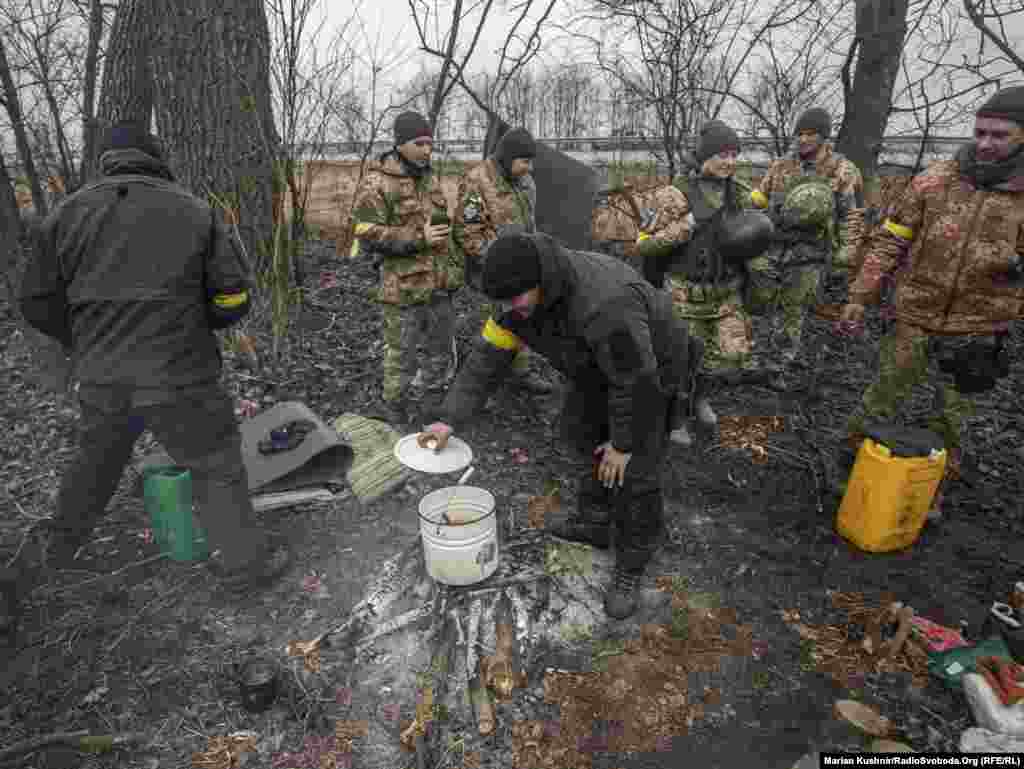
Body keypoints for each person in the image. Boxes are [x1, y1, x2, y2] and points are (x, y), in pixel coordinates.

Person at [4, 122, 291, 637]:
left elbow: (35, 303)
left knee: (91, 473)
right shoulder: (194, 211)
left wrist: (86, 338)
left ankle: (36, 569)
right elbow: (233, 296)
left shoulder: (66, 214)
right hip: (182, 374)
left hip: (103, 378)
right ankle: (245, 565)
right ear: (156, 159)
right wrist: (206, 322)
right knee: (214, 466)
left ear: (107, 161)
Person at [417, 232, 701, 620]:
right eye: (500, 302)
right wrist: (447, 419)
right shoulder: (515, 300)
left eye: (514, 300)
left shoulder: (605, 304)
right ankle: (595, 522)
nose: (507, 310)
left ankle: (632, 563)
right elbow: (487, 359)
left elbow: (636, 379)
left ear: (541, 284)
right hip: (594, 369)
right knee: (583, 435)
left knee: (635, 471)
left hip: (651, 373)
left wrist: (622, 443)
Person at [839, 86, 1024, 517]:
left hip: (978, 329)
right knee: (882, 396)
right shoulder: (936, 180)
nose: (985, 143)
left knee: (951, 418)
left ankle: (925, 492)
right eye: (980, 132)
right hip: (914, 315)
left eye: (1000, 135)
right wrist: (859, 297)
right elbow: (889, 242)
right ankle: (849, 468)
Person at [350, 111, 463, 425]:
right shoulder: (377, 181)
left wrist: (453, 267)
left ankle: (432, 410)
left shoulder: (430, 178)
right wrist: (418, 237)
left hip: (439, 285)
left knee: (440, 353)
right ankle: (395, 413)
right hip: (402, 287)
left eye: (430, 143)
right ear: (401, 144)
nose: (427, 149)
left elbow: (443, 229)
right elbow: (364, 232)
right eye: (420, 143)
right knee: (401, 356)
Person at [647, 120, 755, 445]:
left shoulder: (739, 194)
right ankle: (676, 416)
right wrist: (687, 225)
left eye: (735, 154)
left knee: (728, 355)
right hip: (683, 293)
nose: (730, 162)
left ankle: (700, 399)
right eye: (723, 154)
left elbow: (756, 236)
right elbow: (644, 244)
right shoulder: (675, 194)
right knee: (681, 358)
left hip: (726, 293)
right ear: (704, 155)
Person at [748, 107, 863, 382]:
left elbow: (852, 216)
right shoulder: (781, 165)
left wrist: (846, 255)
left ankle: (777, 367)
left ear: (823, 137)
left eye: (810, 134)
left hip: (809, 253)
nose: (803, 140)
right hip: (772, 248)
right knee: (758, 303)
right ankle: (751, 358)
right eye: (799, 134)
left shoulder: (842, 170)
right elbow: (760, 199)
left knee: (793, 310)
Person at [453, 127, 553, 394]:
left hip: (523, 265)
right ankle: (488, 375)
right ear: (507, 158)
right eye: (524, 161)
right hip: (494, 268)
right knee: (503, 317)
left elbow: (530, 222)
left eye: (531, 162)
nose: (529, 168)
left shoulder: (525, 182)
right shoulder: (477, 181)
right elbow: (468, 232)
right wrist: (500, 263)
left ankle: (519, 371)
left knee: (523, 314)